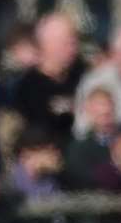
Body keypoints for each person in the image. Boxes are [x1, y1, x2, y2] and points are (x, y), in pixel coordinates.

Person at [11, 13, 85, 143]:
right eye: (67, 43)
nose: (74, 49)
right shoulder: (27, 87)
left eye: (75, 42)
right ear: (46, 45)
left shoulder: (83, 75)